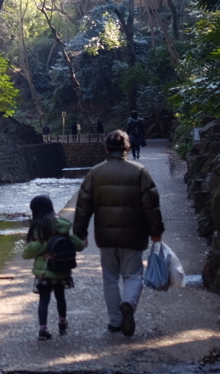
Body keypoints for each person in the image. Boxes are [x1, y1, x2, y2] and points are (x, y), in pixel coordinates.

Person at [73, 130, 164, 338]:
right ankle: (129, 304)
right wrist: (156, 231)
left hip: (106, 236)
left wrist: (80, 232)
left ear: (106, 149)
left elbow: (83, 205)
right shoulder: (139, 171)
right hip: (134, 235)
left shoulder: (95, 173)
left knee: (110, 278)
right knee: (133, 274)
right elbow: (151, 205)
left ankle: (115, 321)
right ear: (127, 148)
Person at [22, 195, 86, 341]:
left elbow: (28, 252)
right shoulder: (62, 226)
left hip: (44, 271)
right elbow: (79, 245)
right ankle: (62, 323)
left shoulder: (38, 229)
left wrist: (37, 248)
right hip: (61, 270)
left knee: (44, 299)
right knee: (60, 296)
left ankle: (43, 329)